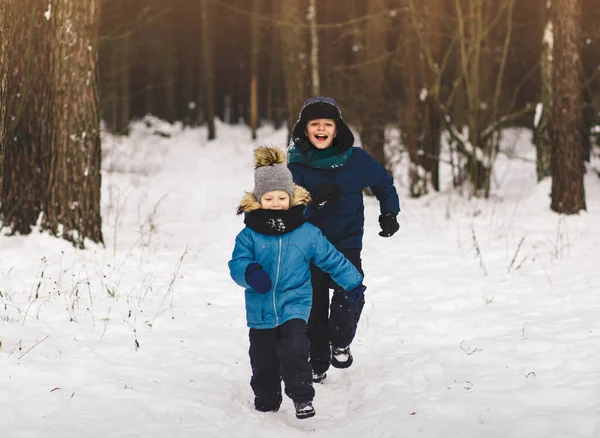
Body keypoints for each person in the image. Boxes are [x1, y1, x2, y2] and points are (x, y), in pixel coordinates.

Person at [228, 146, 365, 420]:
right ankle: (266, 399)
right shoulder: (249, 236)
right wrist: (250, 273)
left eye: (282, 197)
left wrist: (352, 283)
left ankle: (302, 398)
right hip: (261, 310)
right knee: (263, 359)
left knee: (295, 349)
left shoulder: (306, 232)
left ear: (291, 197)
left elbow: (331, 258)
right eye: (269, 198)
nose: (276, 203)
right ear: (258, 199)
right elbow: (237, 264)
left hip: (295, 304)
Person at [287, 96, 400, 383]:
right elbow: (288, 210)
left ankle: (340, 341)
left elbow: (383, 184)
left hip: (345, 243)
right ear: (304, 129)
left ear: (337, 129)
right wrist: (316, 201)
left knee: (349, 294)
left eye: (328, 124)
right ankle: (317, 361)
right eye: (315, 124)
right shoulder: (295, 166)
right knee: (313, 306)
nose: (321, 129)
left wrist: (389, 213)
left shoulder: (356, 159)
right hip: (308, 246)